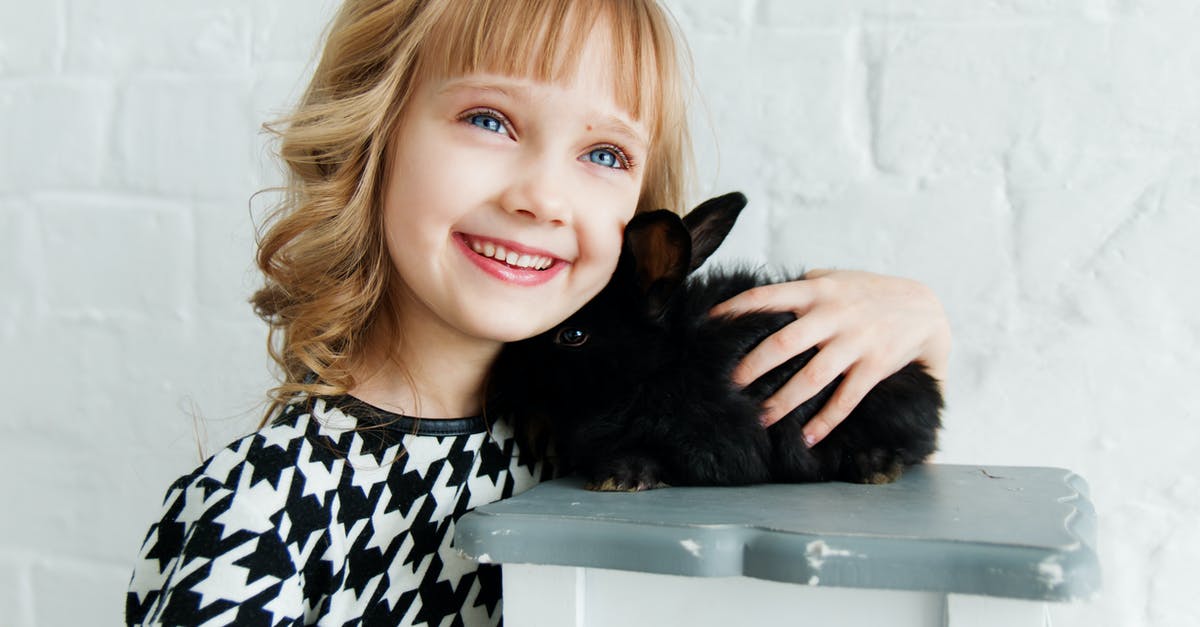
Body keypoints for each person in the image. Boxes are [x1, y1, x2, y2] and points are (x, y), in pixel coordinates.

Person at [125, 0, 951, 625]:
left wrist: (920, 329)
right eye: (489, 119)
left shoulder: (602, 433)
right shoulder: (263, 506)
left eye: (603, 153)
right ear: (371, 134)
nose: (545, 197)